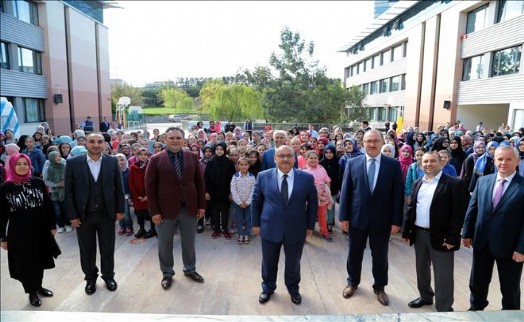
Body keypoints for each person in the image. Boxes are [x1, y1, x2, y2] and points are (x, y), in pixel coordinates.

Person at [338, 130, 404, 306]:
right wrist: (343, 216)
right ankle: (352, 282)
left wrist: (397, 221)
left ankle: (380, 287)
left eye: (375, 141)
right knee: (354, 254)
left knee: (380, 256)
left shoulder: (393, 165)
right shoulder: (352, 164)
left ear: (383, 143)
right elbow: (346, 192)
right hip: (357, 219)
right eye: (368, 141)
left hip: (382, 221)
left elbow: (398, 196)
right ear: (362, 143)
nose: (372, 144)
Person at [402, 151, 468, 312]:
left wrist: (453, 237)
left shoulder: (454, 183)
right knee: (421, 269)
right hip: (419, 233)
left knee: (443, 275)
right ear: (420, 164)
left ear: (441, 163)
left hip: (442, 237)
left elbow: (458, 213)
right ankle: (425, 296)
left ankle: (444, 308)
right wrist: (406, 230)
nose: (428, 164)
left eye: (432, 161)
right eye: (425, 161)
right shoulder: (418, 182)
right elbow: (411, 208)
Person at [252, 145, 318, 305]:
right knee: (268, 261)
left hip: (296, 227)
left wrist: (310, 226)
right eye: (281, 156)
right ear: (275, 158)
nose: (286, 159)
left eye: (289, 156)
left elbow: (313, 203)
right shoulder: (263, 176)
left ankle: (293, 288)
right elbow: (256, 201)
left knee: (294, 262)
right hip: (269, 227)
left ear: (295, 158)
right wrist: (255, 223)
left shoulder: (306, 178)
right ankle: (267, 287)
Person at [462, 146, 524, 311]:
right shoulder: (483, 181)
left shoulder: (522, 186)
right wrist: (466, 233)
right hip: (482, 242)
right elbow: (472, 209)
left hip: (511, 248)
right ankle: (476, 308)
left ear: (517, 161)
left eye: (509, 159)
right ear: (494, 160)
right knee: (477, 282)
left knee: (510, 287)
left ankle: (511, 315)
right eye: (500, 159)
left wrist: (522, 248)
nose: (504, 163)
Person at [145, 127, 206, 290]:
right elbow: (150, 188)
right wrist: (155, 211)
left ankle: (190, 269)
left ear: (184, 140)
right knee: (164, 243)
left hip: (189, 208)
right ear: (165, 139)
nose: (175, 140)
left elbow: (200, 183)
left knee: (189, 242)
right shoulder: (156, 159)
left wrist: (201, 206)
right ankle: (167, 273)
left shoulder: (192, 157)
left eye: (178, 137)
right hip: (165, 210)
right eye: (171, 137)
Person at [64, 133, 125, 295]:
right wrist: (72, 216)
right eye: (92, 141)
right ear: (86, 144)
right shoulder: (73, 163)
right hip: (84, 216)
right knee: (87, 249)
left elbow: (119, 188)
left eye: (99, 142)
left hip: (107, 214)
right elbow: (68, 192)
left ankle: (108, 276)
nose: (96, 145)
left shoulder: (112, 162)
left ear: (105, 144)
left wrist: (120, 209)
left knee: (107, 248)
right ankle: (90, 278)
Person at [0, 153, 60, 306]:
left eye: (25, 164)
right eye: (18, 164)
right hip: (19, 233)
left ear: (29, 165)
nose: (22, 167)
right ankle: (31, 292)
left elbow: (47, 205)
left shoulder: (38, 182)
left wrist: (52, 225)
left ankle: (38, 286)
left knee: (39, 259)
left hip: (40, 230)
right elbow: (1, 215)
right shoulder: (5, 188)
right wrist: (2, 237)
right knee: (25, 262)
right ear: (12, 167)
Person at [204, 141, 236, 239]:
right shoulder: (210, 162)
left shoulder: (229, 162)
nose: (219, 151)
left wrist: (231, 192)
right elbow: (206, 178)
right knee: (215, 211)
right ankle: (217, 230)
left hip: (225, 192)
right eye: (217, 149)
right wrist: (206, 191)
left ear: (225, 150)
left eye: (221, 149)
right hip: (213, 192)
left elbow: (233, 178)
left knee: (225, 211)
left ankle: (225, 230)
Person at [129, 147, 156, 239]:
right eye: (141, 154)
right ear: (137, 155)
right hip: (138, 196)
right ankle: (141, 228)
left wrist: (148, 195)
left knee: (151, 213)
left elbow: (154, 181)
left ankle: (153, 229)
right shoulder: (133, 166)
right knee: (139, 214)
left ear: (149, 156)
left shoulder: (151, 165)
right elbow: (131, 182)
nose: (143, 156)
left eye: (145, 155)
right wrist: (137, 195)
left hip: (149, 196)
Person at [43, 151, 72, 233]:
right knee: (57, 210)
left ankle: (68, 224)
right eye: (56, 157)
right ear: (51, 158)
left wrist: (65, 183)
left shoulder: (65, 166)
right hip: (54, 192)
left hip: (65, 191)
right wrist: (56, 184)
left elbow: (70, 177)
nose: (58, 158)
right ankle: (60, 225)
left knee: (66, 209)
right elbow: (45, 181)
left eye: (59, 156)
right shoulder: (48, 168)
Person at [230, 157, 256, 244]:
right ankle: (241, 234)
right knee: (239, 218)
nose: (244, 166)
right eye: (241, 164)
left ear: (249, 165)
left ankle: (247, 234)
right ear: (238, 165)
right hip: (238, 203)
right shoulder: (235, 177)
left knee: (248, 218)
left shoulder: (252, 177)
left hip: (248, 203)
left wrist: (248, 202)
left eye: (246, 164)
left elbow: (253, 190)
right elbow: (233, 190)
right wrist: (239, 202)